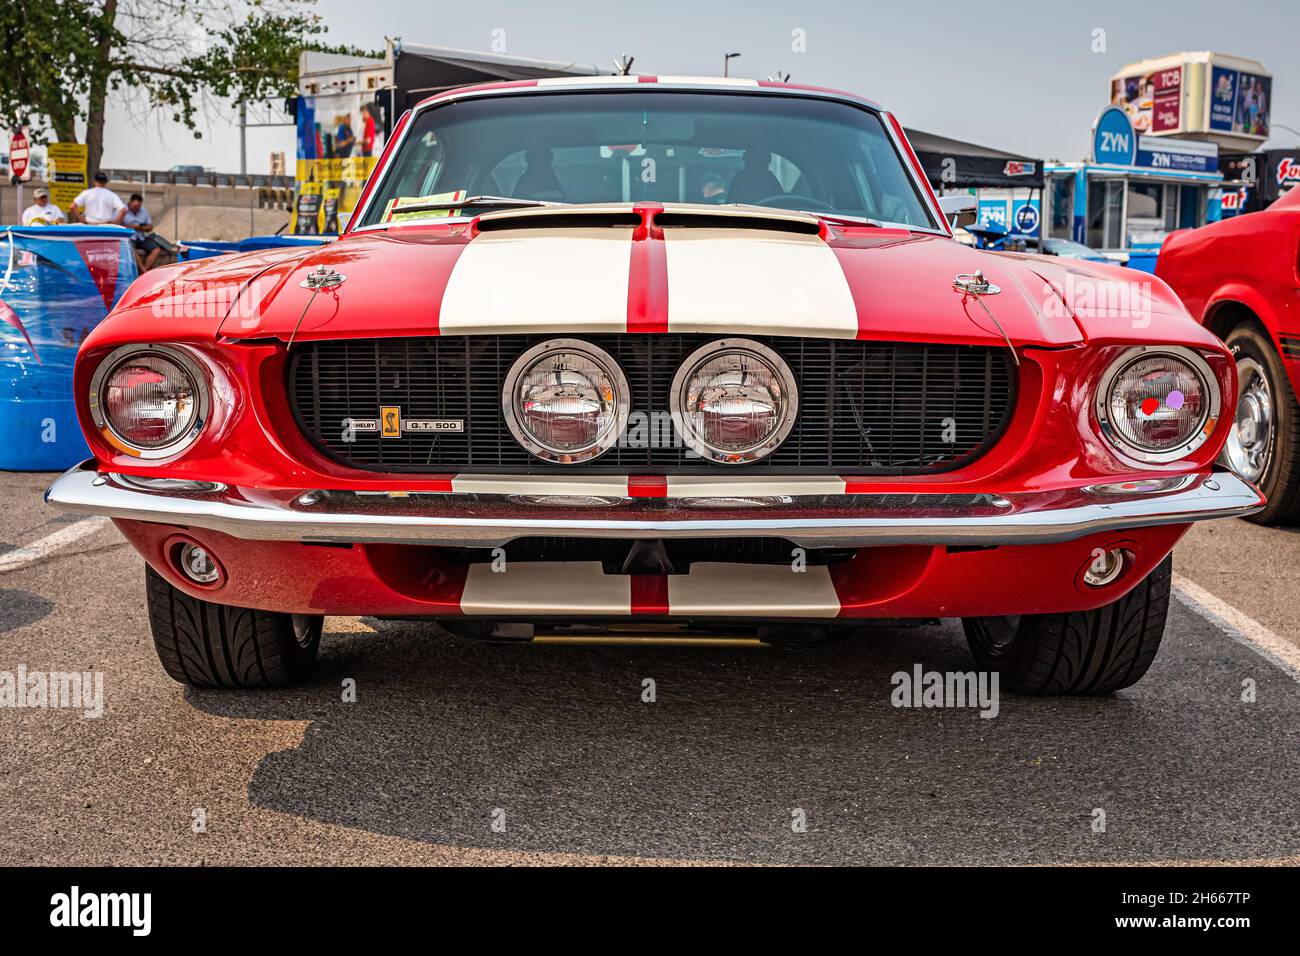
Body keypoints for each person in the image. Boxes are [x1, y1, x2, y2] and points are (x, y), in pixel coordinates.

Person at [123, 193, 163, 271]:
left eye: (138, 207)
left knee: (156, 250)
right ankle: (143, 270)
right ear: (130, 203)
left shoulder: (143, 211)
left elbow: (150, 227)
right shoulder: (122, 210)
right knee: (131, 249)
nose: (136, 209)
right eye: (134, 206)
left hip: (141, 237)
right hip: (129, 237)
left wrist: (140, 227)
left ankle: (145, 271)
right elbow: (115, 224)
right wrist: (129, 226)